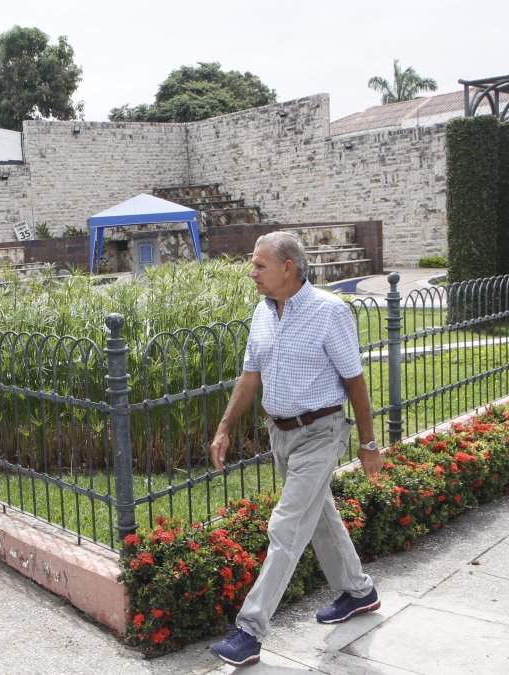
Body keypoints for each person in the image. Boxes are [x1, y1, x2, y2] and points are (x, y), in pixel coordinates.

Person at [207, 231, 384, 667]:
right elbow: (251, 375)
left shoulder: (329, 312)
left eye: (259, 265)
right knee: (318, 514)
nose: (252, 274)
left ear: (289, 267)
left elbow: (355, 381)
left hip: (321, 432)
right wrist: (224, 427)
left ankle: (250, 630)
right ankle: (360, 591)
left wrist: (368, 443)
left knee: (286, 526)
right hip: (281, 434)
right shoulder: (263, 312)